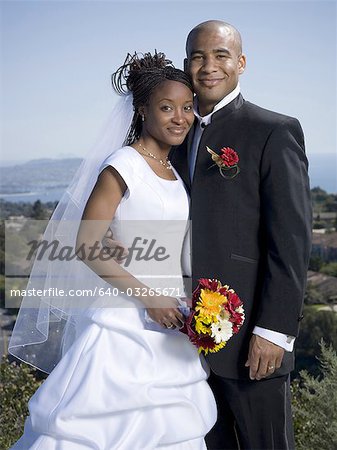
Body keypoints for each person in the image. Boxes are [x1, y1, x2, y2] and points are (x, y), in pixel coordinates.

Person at [8, 52, 217, 450]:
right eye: (167, 107)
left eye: (187, 108)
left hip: (172, 323)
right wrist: (149, 297)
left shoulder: (175, 170)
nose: (180, 117)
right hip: (123, 321)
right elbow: (86, 244)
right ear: (142, 111)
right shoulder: (122, 165)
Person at [170, 20, 312, 450]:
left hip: (252, 340)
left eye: (220, 55)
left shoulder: (273, 130)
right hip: (184, 347)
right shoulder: (175, 136)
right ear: (186, 65)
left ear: (241, 63)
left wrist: (273, 331)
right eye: (198, 56)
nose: (208, 66)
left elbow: (290, 240)